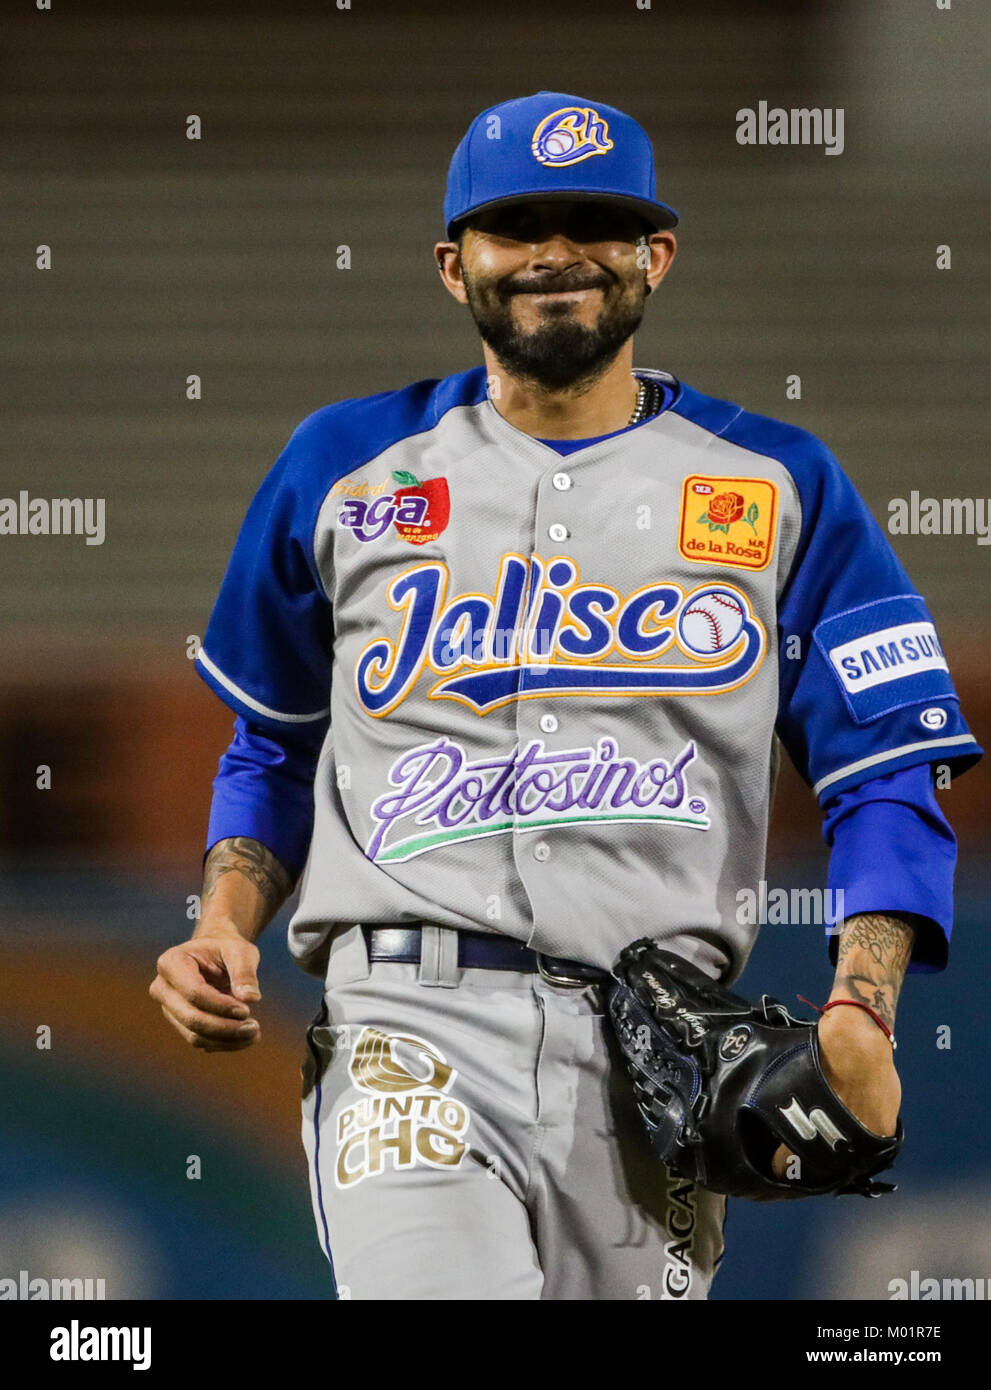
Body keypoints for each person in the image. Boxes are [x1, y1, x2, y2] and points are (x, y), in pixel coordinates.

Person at [150, 91, 981, 1301]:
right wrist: (226, 920)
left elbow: (888, 778)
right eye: (515, 224)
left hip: (658, 1054)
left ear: (656, 256)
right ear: (454, 265)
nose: (554, 254)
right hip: (407, 1022)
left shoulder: (779, 482)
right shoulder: (340, 468)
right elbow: (272, 748)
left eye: (594, 222)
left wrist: (862, 1004)